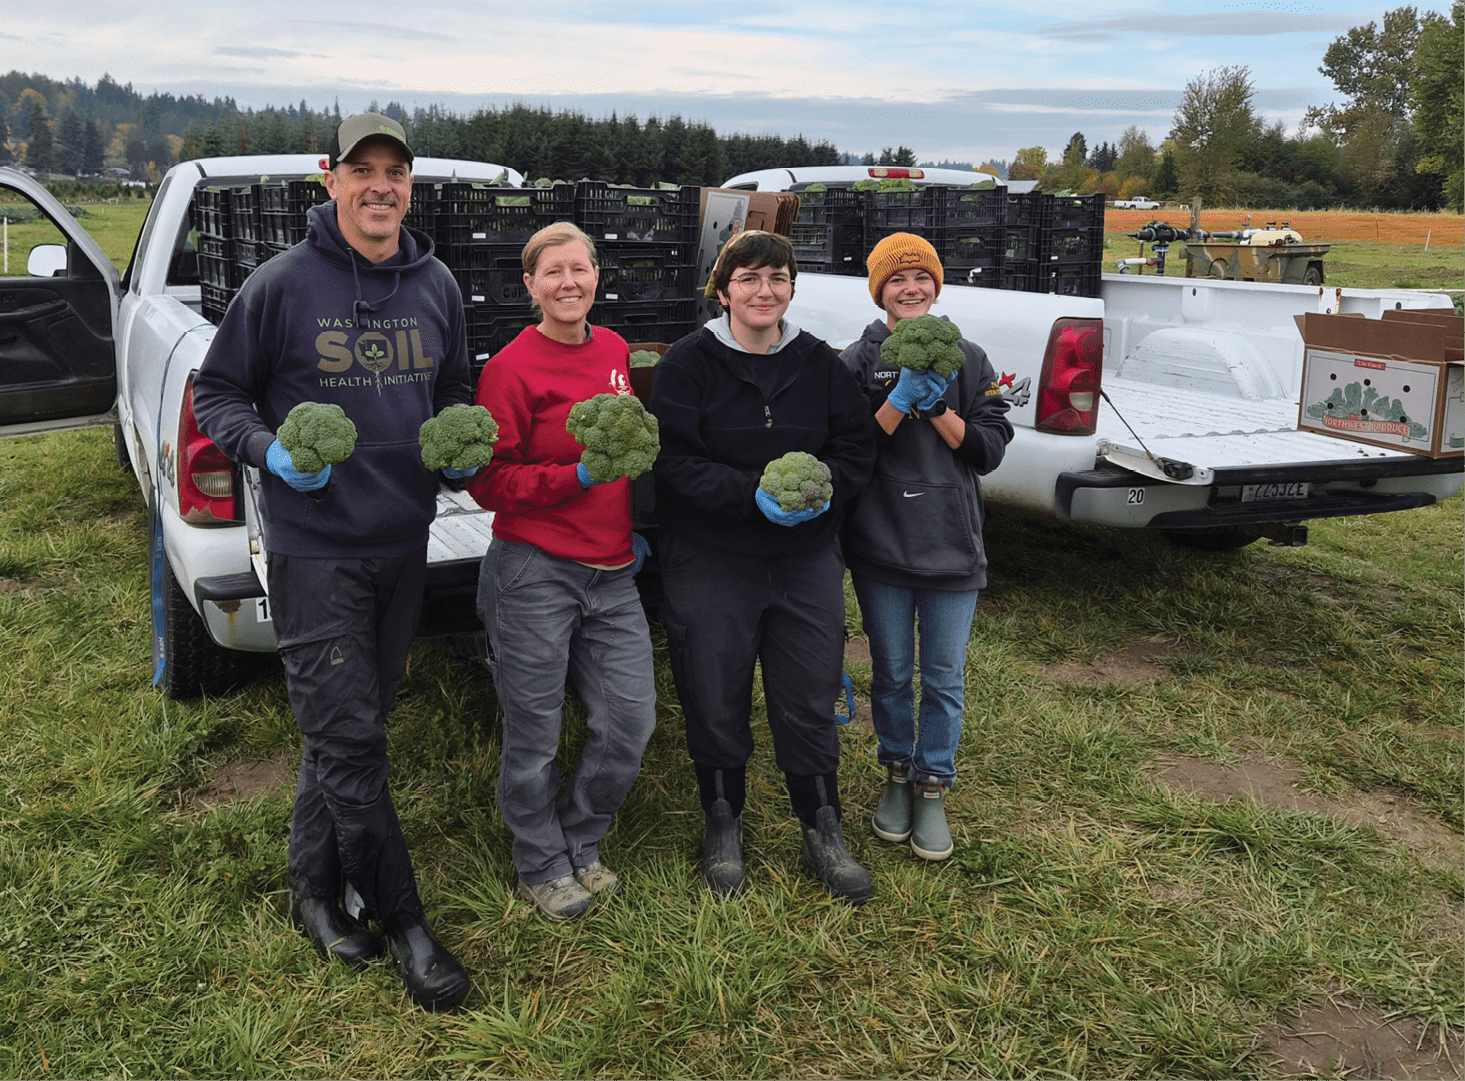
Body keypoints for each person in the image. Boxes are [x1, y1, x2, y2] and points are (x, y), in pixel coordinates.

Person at [192, 113, 471, 1011]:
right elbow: (216, 391)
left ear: (409, 188)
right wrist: (267, 450)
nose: (380, 185)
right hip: (315, 550)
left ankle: (311, 887)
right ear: (332, 180)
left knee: (347, 723)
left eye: (395, 171)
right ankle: (407, 924)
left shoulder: (437, 284)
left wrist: (460, 447)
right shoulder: (280, 285)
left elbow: (454, 386)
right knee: (353, 743)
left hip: (402, 540)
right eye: (363, 170)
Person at [648, 231, 878, 903]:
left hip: (803, 557)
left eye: (776, 278)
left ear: (790, 289)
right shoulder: (689, 364)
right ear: (724, 291)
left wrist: (819, 489)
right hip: (712, 558)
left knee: (807, 694)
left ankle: (821, 825)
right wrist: (751, 496)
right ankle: (722, 819)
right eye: (747, 278)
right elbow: (674, 464)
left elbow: (856, 447)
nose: (763, 290)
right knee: (712, 688)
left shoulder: (819, 363)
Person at [466, 222, 657, 923]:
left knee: (629, 722)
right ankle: (540, 861)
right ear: (530, 286)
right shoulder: (510, 368)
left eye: (579, 268)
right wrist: (574, 476)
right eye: (553, 272)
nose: (568, 282)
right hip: (534, 570)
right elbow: (488, 480)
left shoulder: (611, 349)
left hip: (611, 573)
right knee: (534, 732)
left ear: (596, 276)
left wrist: (627, 519)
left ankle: (581, 835)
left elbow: (630, 440)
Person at [839, 232, 1014, 861]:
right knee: (890, 674)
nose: (910, 288)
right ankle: (895, 772)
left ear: (936, 286)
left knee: (942, 678)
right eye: (897, 279)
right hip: (881, 544)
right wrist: (896, 399)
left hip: (951, 543)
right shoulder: (856, 359)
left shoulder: (967, 357)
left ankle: (932, 783)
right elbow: (850, 453)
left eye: (921, 278)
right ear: (879, 290)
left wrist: (938, 406)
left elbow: (988, 450)